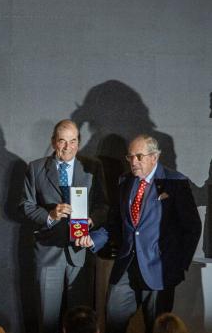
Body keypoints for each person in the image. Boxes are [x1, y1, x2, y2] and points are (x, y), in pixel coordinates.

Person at [81, 135, 201, 333]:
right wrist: (93, 239)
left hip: (159, 271)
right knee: (112, 322)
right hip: (126, 268)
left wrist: (177, 265)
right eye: (130, 157)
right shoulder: (124, 181)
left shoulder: (175, 182)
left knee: (156, 328)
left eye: (139, 156)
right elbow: (116, 223)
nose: (133, 162)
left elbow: (191, 227)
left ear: (154, 157)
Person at [19, 119, 108, 333]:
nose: (68, 147)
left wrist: (91, 220)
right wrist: (50, 215)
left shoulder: (92, 167)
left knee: (81, 322)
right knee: (48, 322)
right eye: (62, 141)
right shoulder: (36, 168)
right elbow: (26, 205)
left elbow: (103, 205)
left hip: (80, 254)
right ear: (53, 142)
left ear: (79, 142)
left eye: (73, 141)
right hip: (48, 253)